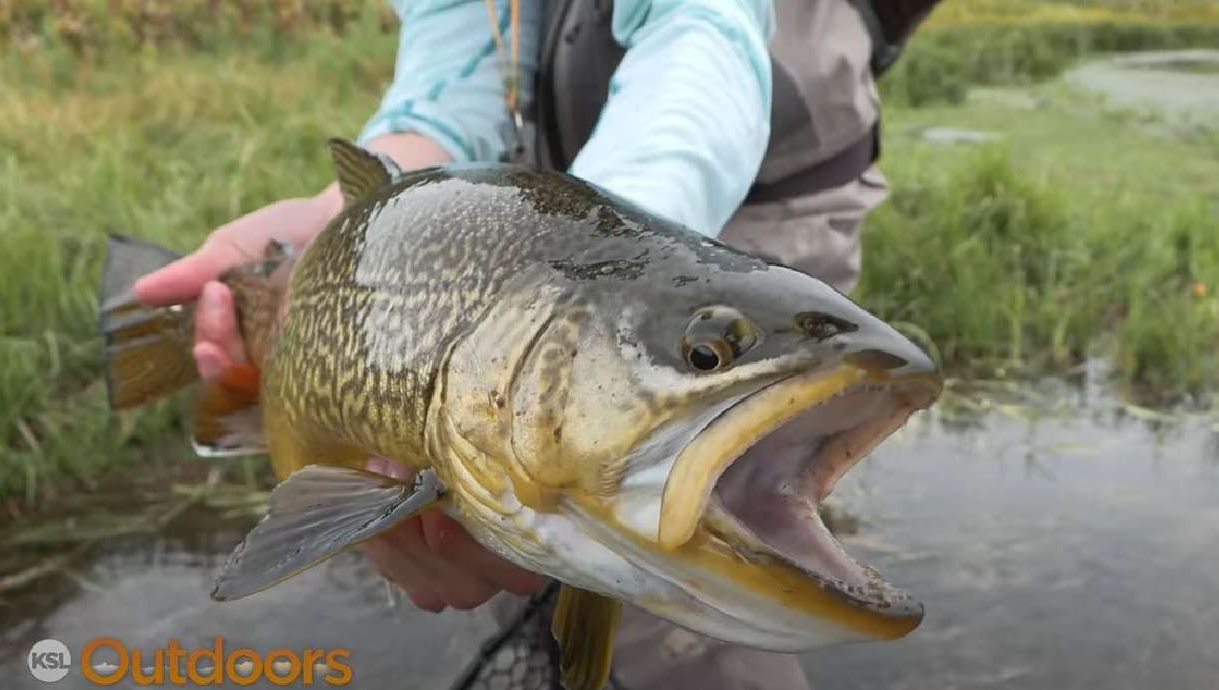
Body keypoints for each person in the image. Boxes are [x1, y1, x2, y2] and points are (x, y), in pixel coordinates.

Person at [134, 1, 938, 687]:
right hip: (542, 228)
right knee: (508, 538)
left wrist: (601, 256)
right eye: (705, 356)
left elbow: (702, 32)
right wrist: (348, 207)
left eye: (705, 355)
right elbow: (459, 59)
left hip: (729, 166)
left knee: (683, 591)